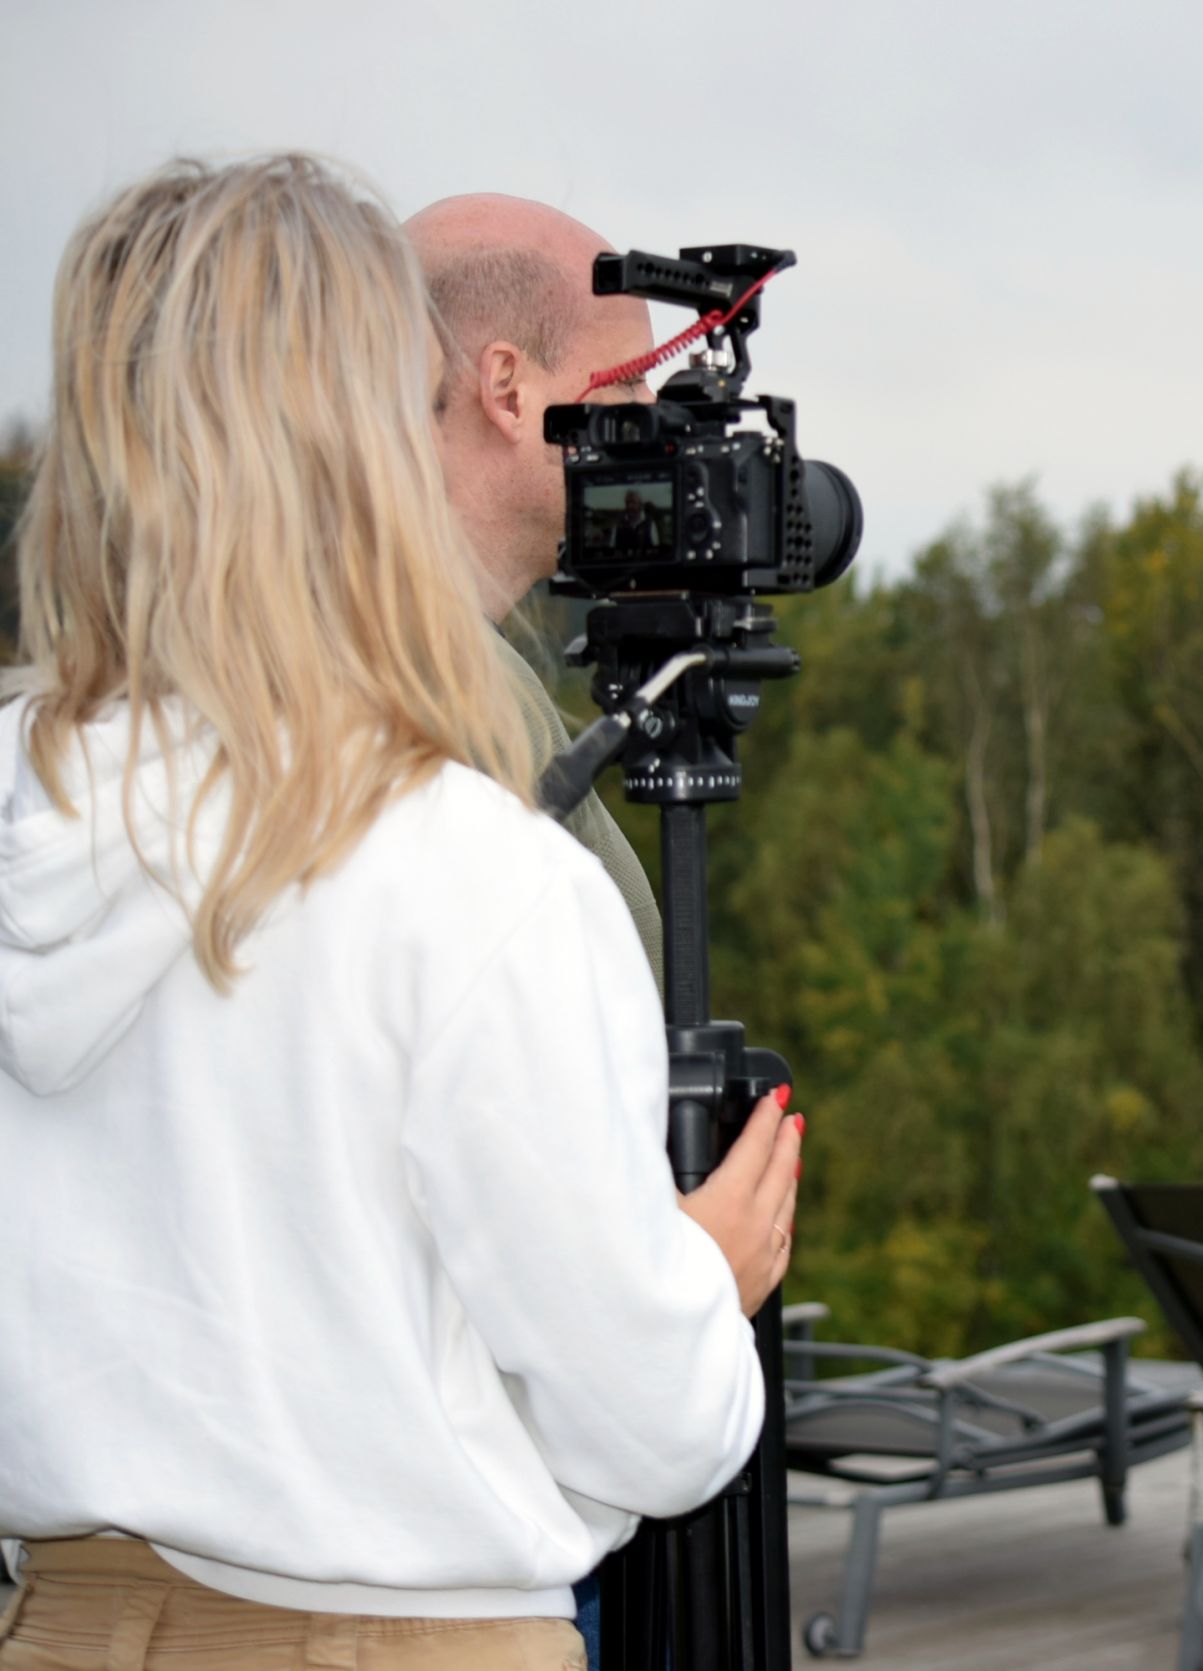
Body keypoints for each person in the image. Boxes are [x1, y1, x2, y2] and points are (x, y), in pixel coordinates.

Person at [0, 155, 798, 1668]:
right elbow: (654, 1428)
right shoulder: (470, 875)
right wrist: (699, 1280)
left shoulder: (20, 799)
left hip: (63, 1619)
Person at [406, 191, 666, 977]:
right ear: (509, 391)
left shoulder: (324, 632)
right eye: (629, 385)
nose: (656, 421)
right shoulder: (450, 686)